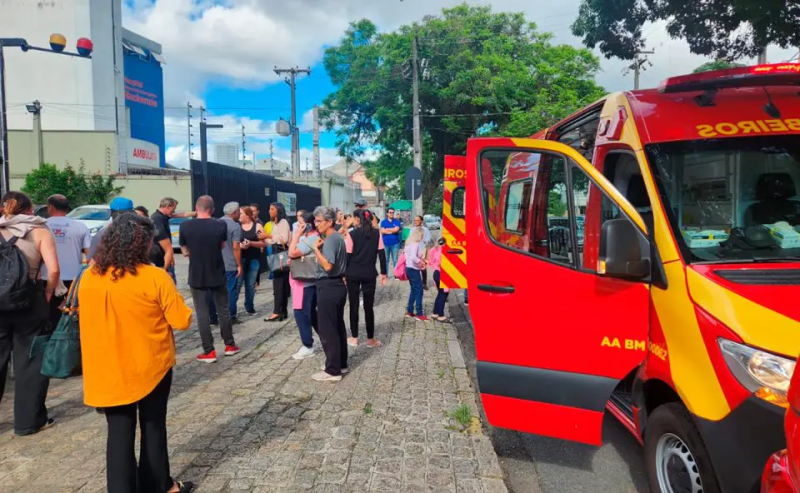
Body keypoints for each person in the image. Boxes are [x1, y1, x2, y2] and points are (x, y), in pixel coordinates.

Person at [79, 213, 194, 493]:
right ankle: (160, 485)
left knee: (118, 433)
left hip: (106, 366)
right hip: (150, 366)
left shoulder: (89, 277)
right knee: (153, 426)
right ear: (144, 244)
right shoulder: (154, 276)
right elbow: (182, 320)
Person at [0, 191, 59, 436]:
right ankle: (28, 422)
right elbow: (54, 270)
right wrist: (46, 294)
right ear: (29, 208)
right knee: (30, 361)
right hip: (29, 299)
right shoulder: (40, 230)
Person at [179, 196, 239, 363]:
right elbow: (221, 246)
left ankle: (209, 351)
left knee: (202, 314)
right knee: (223, 310)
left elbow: (184, 250)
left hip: (197, 274)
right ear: (212, 210)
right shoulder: (220, 224)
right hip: (217, 271)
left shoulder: (185, 225)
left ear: (196, 208)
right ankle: (229, 345)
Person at [310, 206, 348, 382]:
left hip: (329, 285)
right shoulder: (337, 238)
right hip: (337, 285)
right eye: (315, 221)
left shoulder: (332, 239)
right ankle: (340, 363)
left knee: (328, 329)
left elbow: (328, 266)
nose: (316, 224)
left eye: (319, 221)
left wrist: (315, 250)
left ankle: (332, 370)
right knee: (337, 326)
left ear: (329, 222)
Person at [42, 194, 90, 328]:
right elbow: (90, 255)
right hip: (73, 280)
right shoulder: (80, 226)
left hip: (48, 279)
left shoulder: (42, 226)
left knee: (48, 318)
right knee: (70, 319)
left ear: (50, 207)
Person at [344, 209, 387, 348]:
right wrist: (384, 273)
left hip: (352, 273)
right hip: (369, 273)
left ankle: (354, 338)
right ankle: (370, 339)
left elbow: (348, 256)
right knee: (369, 307)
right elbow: (381, 254)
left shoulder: (352, 234)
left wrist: (343, 274)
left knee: (354, 306)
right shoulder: (376, 233)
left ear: (357, 219)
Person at [288, 210, 319, 360]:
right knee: (311, 314)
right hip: (302, 281)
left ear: (307, 224)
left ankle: (308, 345)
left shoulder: (311, 238)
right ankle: (325, 338)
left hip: (305, 282)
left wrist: (296, 236)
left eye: (300, 224)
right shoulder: (309, 237)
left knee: (301, 313)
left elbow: (292, 253)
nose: (297, 226)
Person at [207, 202, 243, 326]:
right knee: (230, 290)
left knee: (213, 290)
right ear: (234, 213)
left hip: (214, 263)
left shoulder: (214, 223)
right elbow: (236, 247)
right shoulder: (235, 226)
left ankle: (213, 316)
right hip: (229, 263)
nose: (240, 214)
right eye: (239, 211)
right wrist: (239, 264)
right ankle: (231, 316)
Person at [152, 198, 195, 284]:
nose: (174, 211)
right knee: (169, 285)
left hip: (165, 258)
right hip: (160, 260)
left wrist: (197, 212)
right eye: (173, 209)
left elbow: (182, 215)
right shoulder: (157, 219)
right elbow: (166, 246)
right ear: (168, 206)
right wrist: (164, 268)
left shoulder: (164, 216)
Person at [261, 202, 291, 322]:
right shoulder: (276, 223)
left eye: (272, 209)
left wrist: (268, 235)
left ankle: (277, 311)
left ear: (278, 210)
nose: (269, 211)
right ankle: (282, 310)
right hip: (278, 252)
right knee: (282, 283)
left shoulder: (283, 222)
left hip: (280, 254)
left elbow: (284, 239)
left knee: (278, 284)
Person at [238, 206, 266, 316]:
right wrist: (239, 246)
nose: (239, 215)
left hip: (253, 258)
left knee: (250, 284)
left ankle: (249, 307)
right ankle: (232, 309)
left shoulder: (257, 226)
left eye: (241, 213)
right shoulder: (237, 226)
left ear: (248, 215)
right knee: (238, 284)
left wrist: (250, 243)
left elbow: (263, 243)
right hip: (240, 258)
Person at [404, 227, 428, 321]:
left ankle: (409, 311)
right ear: (420, 235)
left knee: (413, 290)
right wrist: (421, 262)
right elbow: (414, 257)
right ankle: (419, 313)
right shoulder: (415, 244)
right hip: (414, 269)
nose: (423, 237)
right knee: (419, 291)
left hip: (409, 268)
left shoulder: (408, 244)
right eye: (422, 235)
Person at [430, 237, 450, 322]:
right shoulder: (443, 251)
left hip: (436, 273)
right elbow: (440, 262)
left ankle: (435, 312)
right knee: (443, 295)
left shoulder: (434, 249)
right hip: (442, 273)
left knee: (440, 293)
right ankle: (440, 315)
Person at [380, 208, 402, 278]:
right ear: (387, 214)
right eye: (390, 212)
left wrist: (388, 229)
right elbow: (382, 231)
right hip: (386, 243)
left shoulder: (397, 221)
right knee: (386, 260)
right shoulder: (383, 222)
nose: (392, 214)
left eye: (393, 212)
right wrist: (392, 230)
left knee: (395, 260)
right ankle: (385, 275)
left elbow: (396, 230)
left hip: (395, 243)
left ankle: (396, 275)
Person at [412, 215, 432, 290]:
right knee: (414, 267)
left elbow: (428, 239)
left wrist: (421, 239)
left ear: (421, 221)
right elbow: (409, 239)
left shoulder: (425, 229)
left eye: (417, 220)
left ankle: (424, 283)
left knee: (423, 267)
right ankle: (416, 283)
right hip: (413, 250)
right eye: (415, 220)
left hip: (422, 250)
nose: (415, 222)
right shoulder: (412, 229)